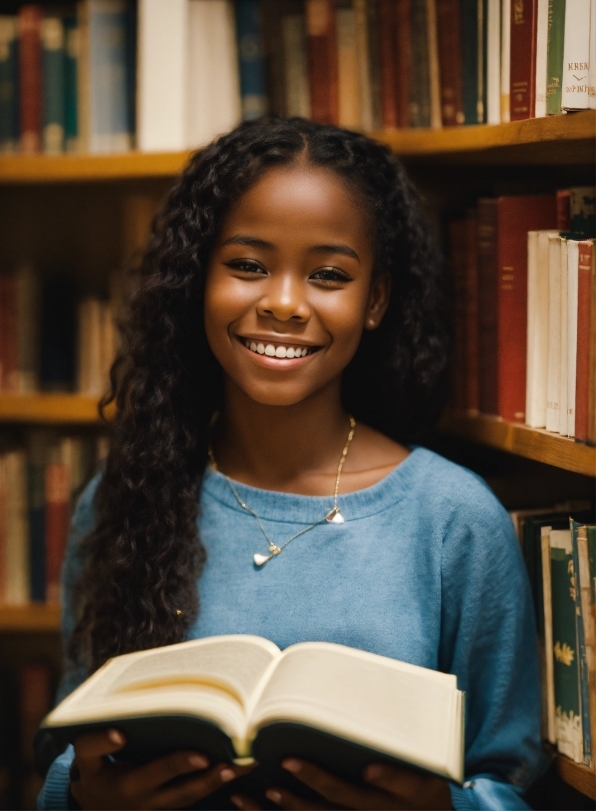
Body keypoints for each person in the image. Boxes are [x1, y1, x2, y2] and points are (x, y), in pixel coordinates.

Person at [38, 117, 541, 811]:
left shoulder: (455, 520)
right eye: (247, 265)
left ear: (377, 301)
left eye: (328, 275)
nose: (281, 302)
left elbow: (511, 781)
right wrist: (82, 796)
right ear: (198, 279)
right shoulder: (123, 498)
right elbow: (73, 749)